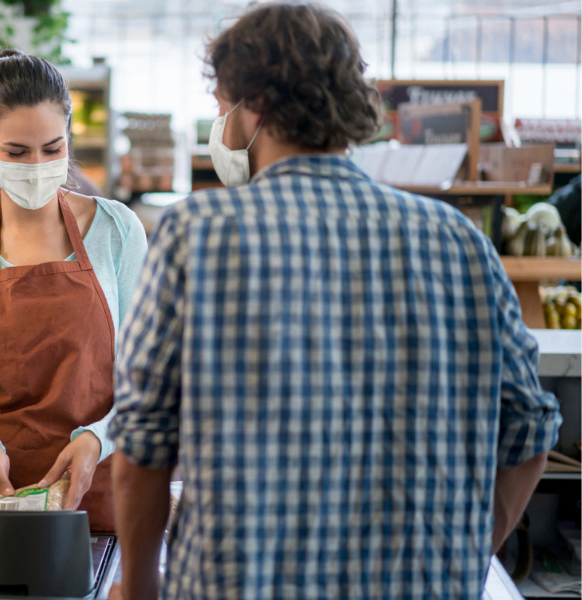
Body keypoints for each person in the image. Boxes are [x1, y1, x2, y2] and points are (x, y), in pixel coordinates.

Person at [108, 3, 562, 598]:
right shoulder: (459, 241)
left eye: (223, 108)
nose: (222, 125)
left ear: (256, 106)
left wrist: (139, 588)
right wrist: (466, 555)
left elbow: (143, 443)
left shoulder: (199, 232)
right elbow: (530, 430)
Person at [0, 50, 148, 532]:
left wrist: (97, 439)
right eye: (17, 153)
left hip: (96, 505)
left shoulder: (117, 231)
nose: (36, 166)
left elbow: (150, 386)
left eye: (53, 149)